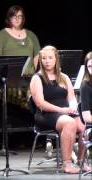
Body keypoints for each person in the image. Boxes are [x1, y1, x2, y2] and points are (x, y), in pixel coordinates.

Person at [30, 45, 90, 173]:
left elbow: (72, 98)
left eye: (50, 58)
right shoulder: (37, 78)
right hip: (45, 114)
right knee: (70, 123)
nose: (47, 61)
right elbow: (40, 103)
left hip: (65, 112)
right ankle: (67, 163)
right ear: (40, 60)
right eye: (44, 58)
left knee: (83, 125)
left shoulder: (64, 77)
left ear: (56, 59)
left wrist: (72, 106)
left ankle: (81, 160)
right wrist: (62, 110)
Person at [0, 5, 40, 76]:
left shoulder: (31, 35)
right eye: (14, 16)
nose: (17, 19)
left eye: (19, 16)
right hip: (10, 79)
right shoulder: (1, 35)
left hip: (29, 78)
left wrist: (36, 74)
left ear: (23, 18)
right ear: (9, 18)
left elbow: (37, 56)